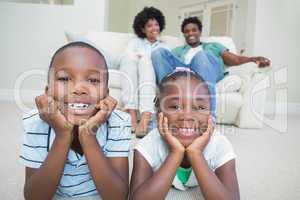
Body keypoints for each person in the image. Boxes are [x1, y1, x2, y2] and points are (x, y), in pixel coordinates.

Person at [19, 42, 131, 199]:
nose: (79, 88)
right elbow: (34, 197)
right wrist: (62, 135)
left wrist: (89, 136)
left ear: (106, 94)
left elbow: (117, 197)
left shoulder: (119, 123)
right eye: (64, 78)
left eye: (93, 80)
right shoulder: (34, 122)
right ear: (48, 92)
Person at [130, 70, 240, 200]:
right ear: (159, 111)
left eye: (200, 108)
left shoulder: (219, 145)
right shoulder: (147, 146)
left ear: (211, 113)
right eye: (175, 106)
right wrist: (175, 153)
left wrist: (196, 153)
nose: (187, 116)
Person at [119, 7, 169, 137]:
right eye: (149, 25)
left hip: (153, 78)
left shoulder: (164, 46)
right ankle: (132, 114)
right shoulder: (135, 42)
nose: (154, 28)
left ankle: (146, 116)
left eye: (156, 24)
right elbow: (126, 59)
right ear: (142, 29)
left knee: (146, 60)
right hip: (135, 74)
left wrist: (144, 57)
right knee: (129, 59)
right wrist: (139, 57)